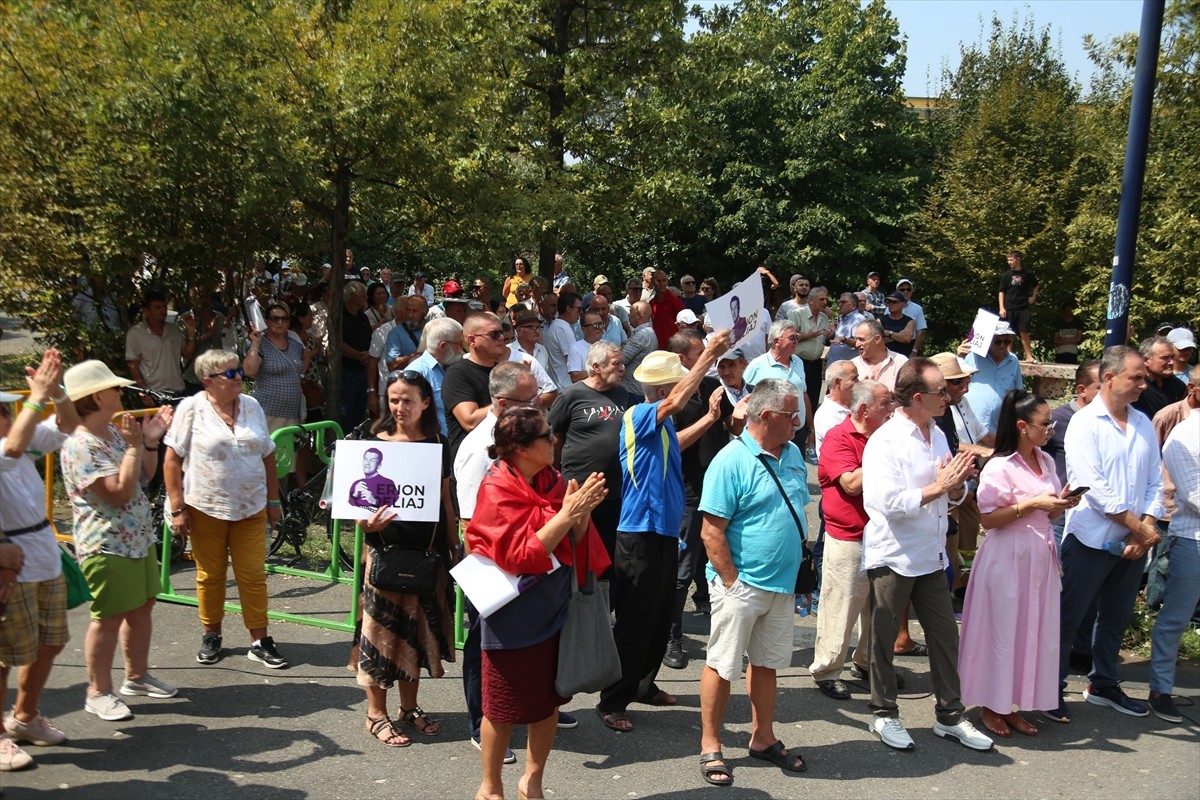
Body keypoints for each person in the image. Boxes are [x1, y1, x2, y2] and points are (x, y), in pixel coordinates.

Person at [466, 407, 609, 800]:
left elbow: (579, 543)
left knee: (548, 701)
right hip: (510, 612)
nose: (555, 440)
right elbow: (519, 555)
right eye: (547, 436)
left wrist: (580, 514)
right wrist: (567, 514)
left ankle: (533, 780)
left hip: (554, 605)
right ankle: (490, 786)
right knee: (500, 707)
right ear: (522, 448)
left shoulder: (554, 480)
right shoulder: (496, 487)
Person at [596, 333, 730, 733]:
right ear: (663, 389)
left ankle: (643, 685)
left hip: (662, 532)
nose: (682, 391)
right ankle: (612, 700)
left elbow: (679, 441)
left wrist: (708, 418)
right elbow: (672, 404)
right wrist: (708, 355)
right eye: (677, 383)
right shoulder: (639, 415)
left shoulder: (662, 424)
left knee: (657, 616)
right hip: (638, 533)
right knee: (636, 619)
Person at [861, 358, 991, 752]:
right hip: (894, 555)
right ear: (917, 397)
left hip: (932, 554)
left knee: (945, 637)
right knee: (883, 639)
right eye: (941, 392)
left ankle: (950, 715)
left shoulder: (936, 432)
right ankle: (883, 713)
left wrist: (955, 490)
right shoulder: (886, 440)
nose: (949, 398)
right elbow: (887, 502)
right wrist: (940, 486)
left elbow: (951, 492)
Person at [696, 379, 810, 785]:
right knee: (723, 664)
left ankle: (763, 738)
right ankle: (711, 744)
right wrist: (731, 583)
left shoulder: (793, 453)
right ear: (766, 416)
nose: (798, 421)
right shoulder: (731, 460)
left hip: (781, 584)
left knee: (767, 664)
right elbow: (711, 531)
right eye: (791, 414)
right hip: (741, 585)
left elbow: (795, 509)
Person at [59, 359, 176, 724]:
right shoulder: (80, 445)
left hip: (136, 539)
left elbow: (144, 477)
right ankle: (97, 692)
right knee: (108, 618)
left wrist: (149, 443)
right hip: (106, 544)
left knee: (142, 607)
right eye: (113, 387)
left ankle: (136, 677)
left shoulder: (112, 432)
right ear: (96, 397)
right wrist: (133, 446)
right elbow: (119, 492)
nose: (120, 391)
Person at [1053, 345, 1164, 722]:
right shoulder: (1085, 424)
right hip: (1090, 538)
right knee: (1069, 617)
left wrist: (1144, 529)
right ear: (1110, 377)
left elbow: (1154, 480)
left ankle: (1104, 684)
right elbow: (1094, 487)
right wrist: (1141, 529)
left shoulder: (1143, 422)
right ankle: (1051, 688)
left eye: (1144, 378)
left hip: (1133, 541)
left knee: (1115, 617)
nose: (1143, 385)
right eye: (1136, 377)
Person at [958, 390, 1078, 738]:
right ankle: (990, 704)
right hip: (1008, 556)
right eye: (1045, 424)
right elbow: (988, 519)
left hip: (1039, 556)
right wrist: (1033, 504)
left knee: (1031, 631)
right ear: (1023, 426)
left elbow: (1049, 509)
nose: (1050, 430)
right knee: (1003, 631)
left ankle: (1012, 702)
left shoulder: (1046, 460)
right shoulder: (1000, 466)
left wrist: (1060, 503)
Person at [163, 350, 288, 670]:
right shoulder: (191, 408)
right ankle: (212, 634)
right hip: (205, 507)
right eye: (230, 374)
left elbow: (268, 455)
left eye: (238, 372)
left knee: (252, 575)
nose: (238, 378)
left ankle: (260, 640)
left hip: (250, 506)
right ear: (208, 382)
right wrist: (178, 508)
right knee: (210, 575)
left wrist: (274, 502)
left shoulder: (252, 405)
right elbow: (172, 459)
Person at [352, 371, 456, 748]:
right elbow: (353, 505)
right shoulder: (371, 442)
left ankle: (408, 709)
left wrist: (453, 545)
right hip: (383, 555)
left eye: (408, 399)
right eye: (393, 399)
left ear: (426, 402)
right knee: (379, 637)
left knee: (416, 636)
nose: (400, 407)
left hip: (427, 557)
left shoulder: (438, 444)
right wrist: (366, 523)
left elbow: (445, 500)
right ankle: (375, 714)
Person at [454, 363, 542, 759]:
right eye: (530, 400)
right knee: (484, 645)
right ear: (504, 403)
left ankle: (529, 711)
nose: (539, 406)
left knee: (527, 639)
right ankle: (482, 720)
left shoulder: (520, 436)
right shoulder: (477, 449)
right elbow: (472, 520)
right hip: (490, 565)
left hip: (525, 557)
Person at [0, 352, 80, 766]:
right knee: (5, 654)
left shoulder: (18, 436)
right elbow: (12, 449)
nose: (7, 414)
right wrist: (36, 397)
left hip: (42, 550)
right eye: (1, 410)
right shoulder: (7, 448)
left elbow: (67, 425)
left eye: (5, 408)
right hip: (7, 561)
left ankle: (24, 718)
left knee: (50, 641)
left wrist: (58, 392)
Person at [809, 380, 892, 702]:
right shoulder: (838, 437)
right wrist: (884, 450)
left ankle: (866, 662)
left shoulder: (884, 435)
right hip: (850, 536)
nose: (892, 410)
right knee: (840, 607)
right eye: (885, 404)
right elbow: (851, 484)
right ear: (863, 409)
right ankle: (827, 669)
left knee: (881, 609)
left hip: (884, 536)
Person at [663, 330, 729, 671]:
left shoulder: (712, 387)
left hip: (719, 490)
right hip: (687, 492)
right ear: (682, 359)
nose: (710, 357)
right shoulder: (674, 396)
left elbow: (730, 426)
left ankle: (723, 625)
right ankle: (672, 636)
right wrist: (710, 419)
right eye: (701, 353)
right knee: (683, 568)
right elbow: (673, 445)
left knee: (718, 561)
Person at [1146, 411, 1200, 724]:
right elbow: (1194, 496)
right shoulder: (1184, 436)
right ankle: (1160, 690)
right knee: (1175, 618)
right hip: (1193, 539)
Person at [443, 313, 510, 462]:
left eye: (501, 332)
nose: (501, 338)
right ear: (472, 340)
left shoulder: (502, 371)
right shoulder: (457, 374)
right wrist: (509, 401)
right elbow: (470, 421)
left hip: (503, 461)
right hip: (473, 463)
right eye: (494, 334)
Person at [743, 320, 814, 448]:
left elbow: (803, 395)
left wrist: (811, 429)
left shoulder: (798, 362)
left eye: (797, 337)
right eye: (792, 338)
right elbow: (745, 399)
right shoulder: (757, 366)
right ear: (776, 341)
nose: (796, 341)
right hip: (770, 437)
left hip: (797, 433)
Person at [243, 302, 311, 435]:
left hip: (293, 412)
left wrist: (300, 376)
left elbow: (304, 359)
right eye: (275, 319)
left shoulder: (295, 345)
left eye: (284, 319)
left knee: (290, 454)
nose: (280, 322)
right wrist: (255, 343)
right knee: (268, 453)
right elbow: (249, 371)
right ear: (267, 322)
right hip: (268, 411)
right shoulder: (260, 344)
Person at [126, 289, 195, 395]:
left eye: (164, 307)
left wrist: (191, 332)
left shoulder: (174, 330)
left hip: (177, 391)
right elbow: (133, 364)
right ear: (146, 311)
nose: (163, 311)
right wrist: (144, 391)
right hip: (154, 393)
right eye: (158, 308)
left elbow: (187, 354)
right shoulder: (135, 333)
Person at [408, 317, 465, 437]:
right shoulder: (417, 372)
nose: (461, 349)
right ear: (443, 346)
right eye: (459, 344)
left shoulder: (451, 367)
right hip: (432, 444)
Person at [963, 321, 1023, 433]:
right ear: (988, 341)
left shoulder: (1013, 361)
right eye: (998, 341)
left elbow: (1018, 392)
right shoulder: (972, 357)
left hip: (999, 426)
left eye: (1007, 342)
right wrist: (960, 356)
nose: (1002, 345)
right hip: (971, 424)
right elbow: (956, 382)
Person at [789, 287, 833, 428]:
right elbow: (788, 337)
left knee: (813, 397)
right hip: (798, 362)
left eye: (826, 299)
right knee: (798, 396)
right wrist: (808, 336)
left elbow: (823, 341)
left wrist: (830, 336)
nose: (825, 302)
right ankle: (795, 426)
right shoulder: (797, 314)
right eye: (821, 299)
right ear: (811, 301)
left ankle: (810, 429)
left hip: (816, 363)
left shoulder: (824, 318)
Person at [340, 281, 374, 430]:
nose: (366, 298)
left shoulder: (363, 317)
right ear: (352, 297)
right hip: (346, 370)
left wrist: (367, 355)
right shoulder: (340, 317)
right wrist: (358, 355)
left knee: (360, 410)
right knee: (346, 410)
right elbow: (338, 344)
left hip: (363, 370)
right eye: (363, 295)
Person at [997, 250, 1039, 362]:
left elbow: (1036, 285)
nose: (1009, 262)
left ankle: (1029, 356)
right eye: (1008, 260)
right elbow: (1001, 292)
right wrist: (1001, 307)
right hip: (1009, 307)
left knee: (1024, 332)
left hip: (1023, 306)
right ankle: (1008, 355)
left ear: (1018, 259)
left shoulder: (1027, 274)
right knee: (1008, 332)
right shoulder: (1006, 275)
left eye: (1011, 260)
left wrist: (1033, 297)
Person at [1133, 335, 1186, 420]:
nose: (1171, 362)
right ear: (1146, 360)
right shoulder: (1135, 386)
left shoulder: (1178, 385)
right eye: (1165, 358)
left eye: (1172, 357)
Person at [851, 319, 908, 390]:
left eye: (861, 339)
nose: (857, 344)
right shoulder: (852, 365)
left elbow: (909, 395)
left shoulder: (901, 362)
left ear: (877, 339)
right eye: (856, 339)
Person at [620, 301, 656, 403]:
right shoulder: (649, 333)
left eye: (631, 312)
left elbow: (622, 358)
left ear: (638, 315)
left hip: (632, 390)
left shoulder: (642, 335)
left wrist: (620, 347)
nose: (628, 314)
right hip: (639, 387)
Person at [545, 293, 582, 388]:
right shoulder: (562, 328)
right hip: (565, 386)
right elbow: (574, 359)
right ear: (569, 309)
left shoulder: (559, 326)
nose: (580, 313)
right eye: (579, 309)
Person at [827, 293, 870, 364]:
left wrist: (844, 339)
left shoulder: (858, 319)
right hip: (834, 364)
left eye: (843, 302)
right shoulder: (842, 318)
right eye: (839, 302)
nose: (840, 304)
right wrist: (831, 335)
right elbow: (837, 340)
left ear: (853, 305)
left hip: (847, 366)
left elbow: (860, 343)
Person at [567, 310, 605, 384]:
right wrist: (601, 369)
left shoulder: (608, 346)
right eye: (596, 325)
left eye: (602, 324)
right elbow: (575, 377)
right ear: (584, 330)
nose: (601, 328)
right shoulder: (576, 348)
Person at [894, 279, 927, 356]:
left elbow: (921, 331)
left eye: (908, 289)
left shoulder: (917, 309)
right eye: (902, 289)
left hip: (909, 346)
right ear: (897, 291)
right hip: (892, 345)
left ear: (911, 292)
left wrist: (914, 351)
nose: (905, 292)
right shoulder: (890, 307)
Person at [879, 292, 916, 357]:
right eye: (888, 301)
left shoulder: (909, 321)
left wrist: (886, 333)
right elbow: (878, 341)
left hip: (902, 358)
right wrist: (899, 335)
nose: (890, 304)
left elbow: (907, 338)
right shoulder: (880, 320)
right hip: (884, 358)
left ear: (903, 304)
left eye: (894, 302)